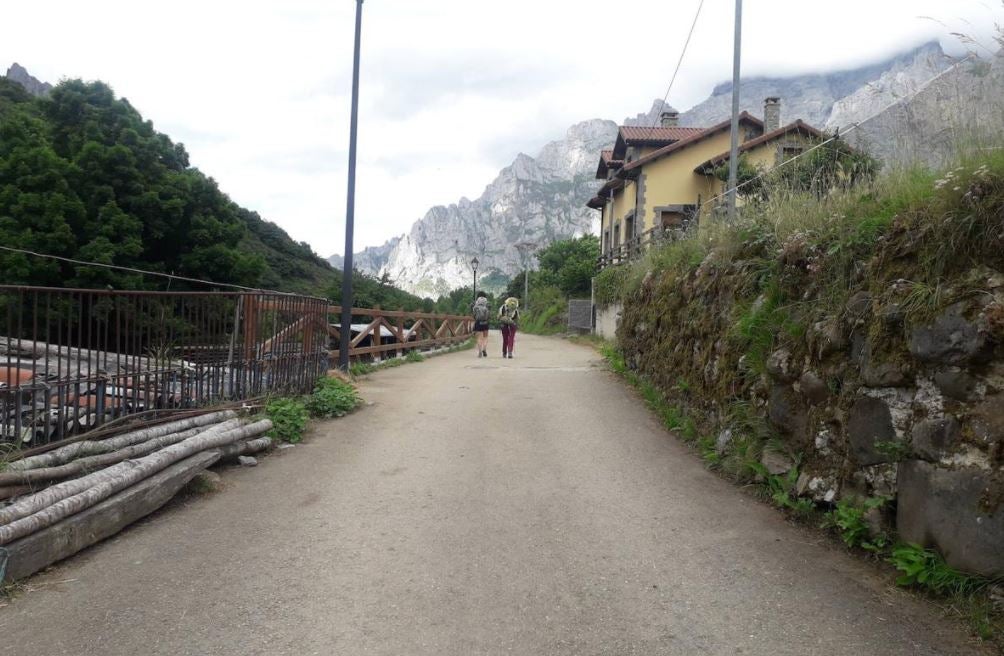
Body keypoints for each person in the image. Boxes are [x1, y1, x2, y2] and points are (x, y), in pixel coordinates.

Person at [472, 292, 490, 358]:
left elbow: (473, 315)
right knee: (485, 337)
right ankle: (484, 349)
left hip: (478, 322)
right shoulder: (486, 307)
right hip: (485, 323)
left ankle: (479, 351)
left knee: (479, 338)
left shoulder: (475, 307)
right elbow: (488, 315)